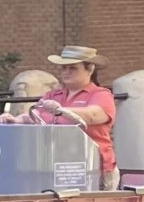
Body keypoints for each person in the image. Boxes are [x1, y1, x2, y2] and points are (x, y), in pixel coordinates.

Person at [32, 45, 118, 185]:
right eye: (63, 68)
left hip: (94, 169)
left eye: (73, 68)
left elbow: (93, 115)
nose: (66, 72)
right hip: (58, 167)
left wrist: (61, 110)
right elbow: (34, 115)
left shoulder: (101, 95)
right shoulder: (53, 95)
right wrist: (12, 119)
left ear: (89, 69)